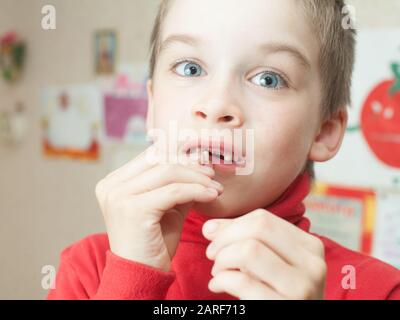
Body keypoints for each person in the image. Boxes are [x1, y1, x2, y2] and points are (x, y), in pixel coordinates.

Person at [47, 0, 400, 300]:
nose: (216, 105)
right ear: (152, 106)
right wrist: (130, 282)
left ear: (324, 131)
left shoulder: (380, 290)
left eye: (268, 79)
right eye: (190, 68)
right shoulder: (87, 271)